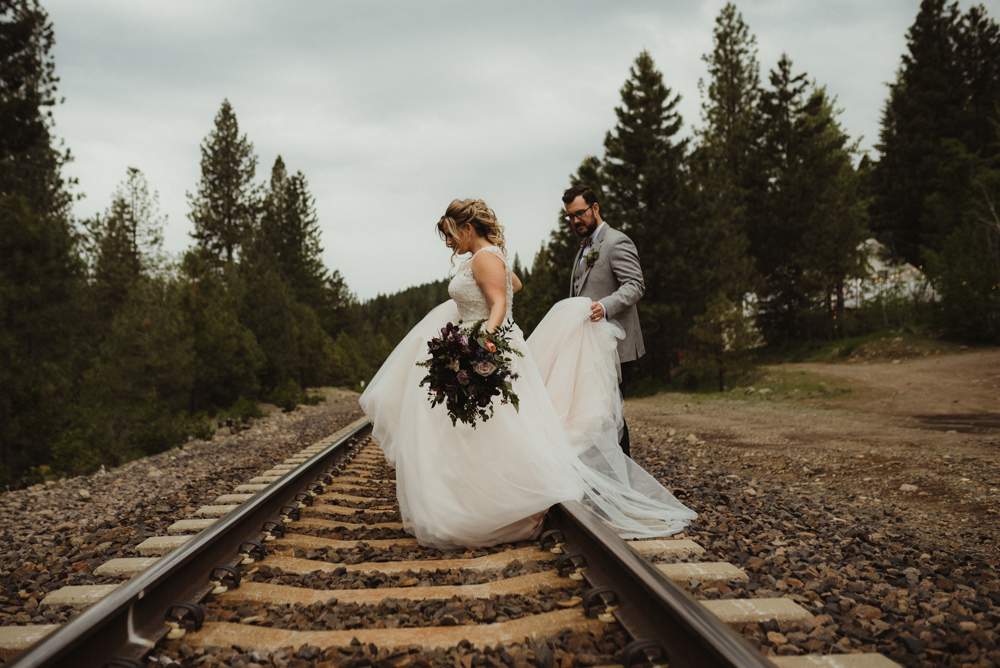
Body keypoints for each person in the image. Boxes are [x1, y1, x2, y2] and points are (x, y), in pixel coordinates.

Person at [359, 198, 694, 550]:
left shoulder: (484, 256)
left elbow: (501, 303)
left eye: (452, 234)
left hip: (484, 345)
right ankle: (481, 498)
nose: (450, 243)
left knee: (482, 427)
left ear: (468, 228)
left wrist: (482, 340)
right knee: (495, 429)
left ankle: (484, 506)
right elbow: (511, 285)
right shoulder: (489, 256)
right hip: (489, 339)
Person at [564, 185, 644, 457]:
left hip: (615, 346)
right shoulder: (583, 249)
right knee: (593, 414)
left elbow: (635, 285)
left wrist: (605, 306)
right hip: (589, 347)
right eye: (571, 216)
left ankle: (623, 485)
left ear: (595, 208)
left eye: (580, 213)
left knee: (610, 414)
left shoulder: (616, 241)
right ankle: (605, 480)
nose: (576, 220)